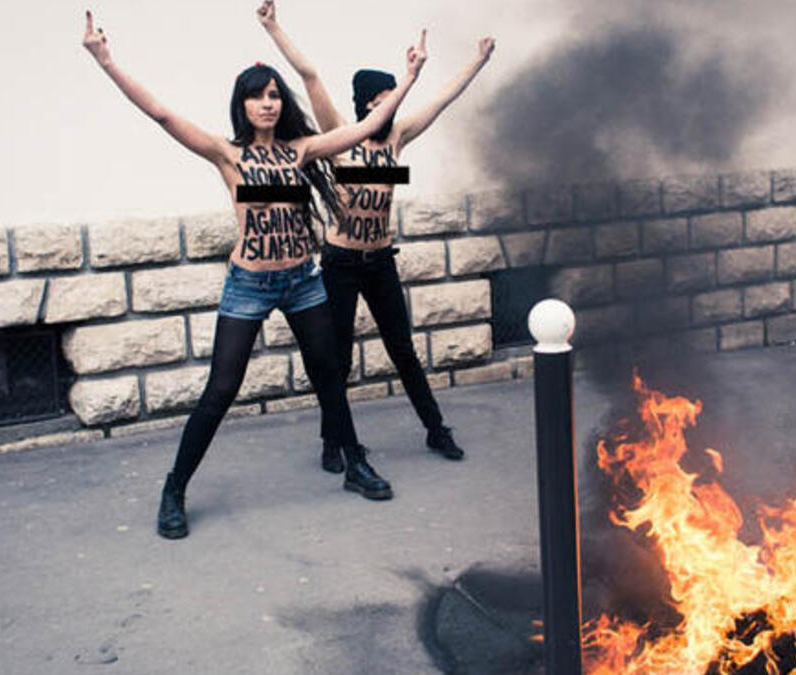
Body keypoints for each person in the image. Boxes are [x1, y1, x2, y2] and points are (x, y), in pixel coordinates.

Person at [81, 10, 427, 539]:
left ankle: (353, 462)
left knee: (329, 374)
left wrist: (409, 78)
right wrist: (107, 61)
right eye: (256, 95)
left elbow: (366, 127)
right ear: (242, 105)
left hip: (302, 280)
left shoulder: (301, 150)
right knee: (221, 388)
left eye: (273, 95)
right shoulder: (228, 154)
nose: (267, 103)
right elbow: (163, 115)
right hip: (249, 283)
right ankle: (174, 488)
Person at [257, 0, 495, 472]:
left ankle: (435, 430)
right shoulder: (340, 137)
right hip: (342, 264)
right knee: (337, 359)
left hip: (381, 260)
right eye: (386, 97)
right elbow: (309, 77)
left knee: (403, 350)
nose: (395, 103)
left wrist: (477, 61)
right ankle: (334, 442)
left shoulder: (399, 137)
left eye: (396, 96)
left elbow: (441, 101)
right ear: (369, 102)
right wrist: (273, 28)